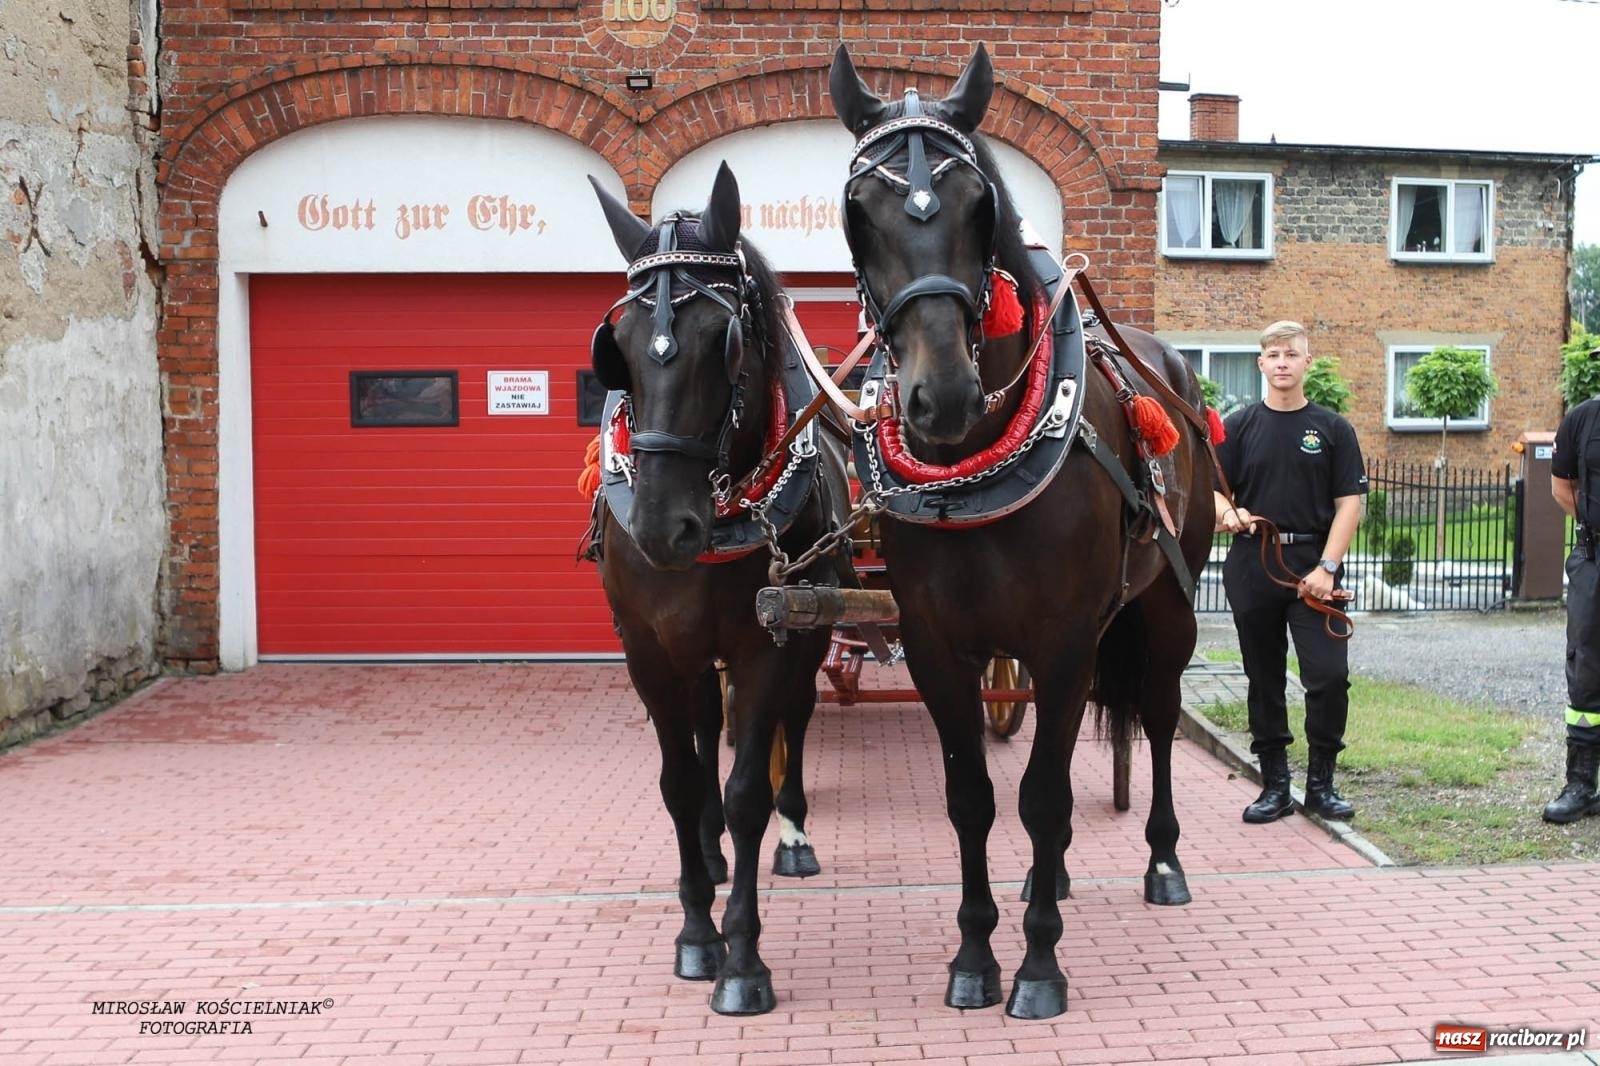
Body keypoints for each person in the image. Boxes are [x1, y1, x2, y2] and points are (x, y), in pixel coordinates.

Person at [1213, 320, 1368, 824]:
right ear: (1261, 363)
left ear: (1307, 363)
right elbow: (1214, 488)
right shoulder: (1237, 426)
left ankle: (1321, 784)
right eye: (1273, 354)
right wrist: (1226, 511)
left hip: (1313, 572)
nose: (1282, 362)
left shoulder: (1333, 429)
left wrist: (1328, 566)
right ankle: (1275, 785)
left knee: (1327, 677)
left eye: (1291, 354)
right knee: (1264, 678)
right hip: (1253, 564)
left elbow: (1350, 504)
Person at [1544, 371, 1600, 823]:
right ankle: (1581, 784)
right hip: (1594, 560)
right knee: (1586, 670)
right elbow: (1561, 487)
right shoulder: (1582, 419)